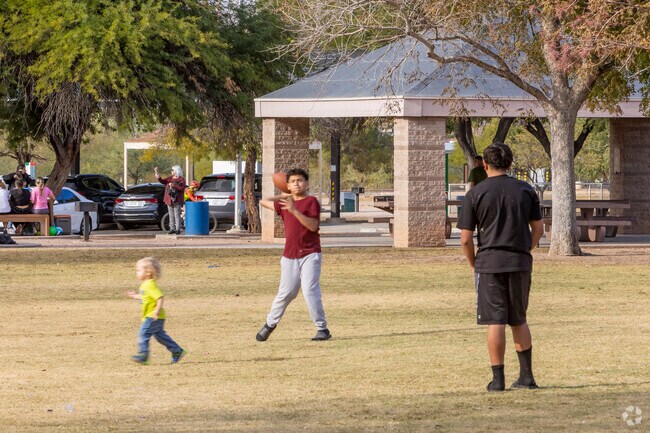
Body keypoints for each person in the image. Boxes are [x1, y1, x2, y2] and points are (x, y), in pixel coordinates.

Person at [457, 143, 544, 392]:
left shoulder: (475, 194)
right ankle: (527, 376)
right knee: (518, 318)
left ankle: (498, 380)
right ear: (510, 163)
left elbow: (465, 238)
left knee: (495, 320)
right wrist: (527, 248)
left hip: (489, 263)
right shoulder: (526, 190)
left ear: (485, 164)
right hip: (519, 262)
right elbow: (538, 229)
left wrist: (474, 262)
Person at [256, 168, 331, 342]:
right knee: (286, 293)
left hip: (310, 254)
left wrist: (294, 209)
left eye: (300, 180)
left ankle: (322, 329)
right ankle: (269, 324)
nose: (297, 183)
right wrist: (283, 195)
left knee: (309, 289)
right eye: (293, 181)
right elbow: (263, 201)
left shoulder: (311, 201)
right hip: (289, 255)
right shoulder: (285, 202)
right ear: (288, 185)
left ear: (307, 183)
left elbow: (313, 226)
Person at [127, 257, 186, 365]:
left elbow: (160, 297)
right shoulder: (145, 285)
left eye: (139, 270)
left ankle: (143, 355)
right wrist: (135, 296)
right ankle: (177, 350)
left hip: (153, 316)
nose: (137, 273)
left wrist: (156, 311)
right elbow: (146, 297)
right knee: (160, 337)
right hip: (156, 317)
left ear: (148, 272)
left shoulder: (150, 284)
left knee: (143, 333)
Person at [155, 165, 186, 235]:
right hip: (169, 199)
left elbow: (182, 188)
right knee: (171, 215)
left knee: (177, 215)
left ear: (176, 171)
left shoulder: (181, 179)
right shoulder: (170, 178)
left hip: (177, 199)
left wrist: (173, 185)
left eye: (172, 170)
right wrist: (158, 177)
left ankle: (178, 229)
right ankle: (172, 228)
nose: (171, 171)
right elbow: (163, 181)